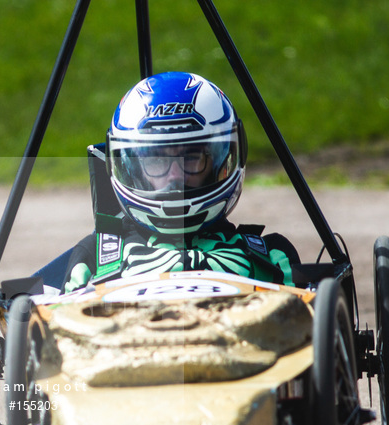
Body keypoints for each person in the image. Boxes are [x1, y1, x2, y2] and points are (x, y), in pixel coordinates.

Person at [62, 72, 299, 293]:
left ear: (221, 162)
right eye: (157, 160)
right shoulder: (95, 259)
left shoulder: (272, 256)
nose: (175, 176)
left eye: (192, 157)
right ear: (132, 169)